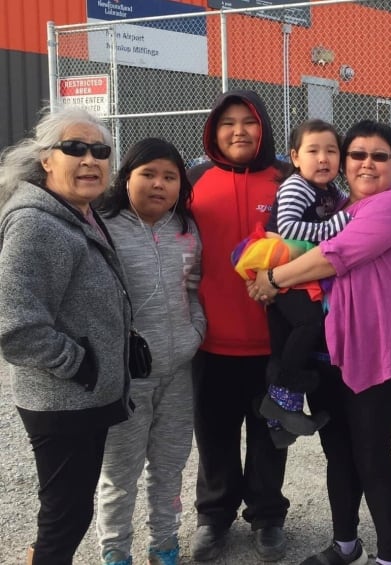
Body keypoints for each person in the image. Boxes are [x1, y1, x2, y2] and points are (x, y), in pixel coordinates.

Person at [249, 120, 391, 565]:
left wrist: (272, 279)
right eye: (358, 154)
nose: (367, 163)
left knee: (371, 457)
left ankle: (389, 557)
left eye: (379, 156)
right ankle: (346, 544)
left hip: (368, 355)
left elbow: (333, 256)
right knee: (338, 454)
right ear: (345, 163)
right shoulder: (340, 207)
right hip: (327, 353)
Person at [0, 106, 132, 564]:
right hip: (63, 401)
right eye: (74, 148)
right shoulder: (36, 224)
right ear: (46, 159)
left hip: (80, 398)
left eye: (100, 150)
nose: (89, 159)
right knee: (67, 518)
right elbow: (15, 326)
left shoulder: (78, 213)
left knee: (63, 511)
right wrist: (82, 365)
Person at [186, 90, 289, 562]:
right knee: (214, 435)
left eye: (248, 121)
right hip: (211, 341)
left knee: (270, 435)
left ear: (263, 126)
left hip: (276, 342)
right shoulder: (194, 181)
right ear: (213, 130)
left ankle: (267, 515)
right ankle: (214, 515)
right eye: (227, 122)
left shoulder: (288, 180)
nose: (239, 131)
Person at [94, 138, 206, 565]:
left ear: (181, 184)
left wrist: (195, 331)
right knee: (119, 476)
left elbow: (193, 288)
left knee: (169, 467)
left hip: (179, 370)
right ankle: (115, 554)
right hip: (127, 378)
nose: (158, 184)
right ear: (127, 178)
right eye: (148, 174)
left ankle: (164, 546)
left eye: (169, 177)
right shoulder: (103, 224)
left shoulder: (186, 228)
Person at [251, 118, 350, 447]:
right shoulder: (297, 186)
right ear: (295, 157)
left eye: (331, 151)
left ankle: (282, 420)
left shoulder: (331, 191)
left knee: (283, 344)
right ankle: (287, 386)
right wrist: (342, 222)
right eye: (313, 151)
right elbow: (291, 229)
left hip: (296, 274)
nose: (323, 158)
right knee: (310, 323)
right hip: (286, 274)